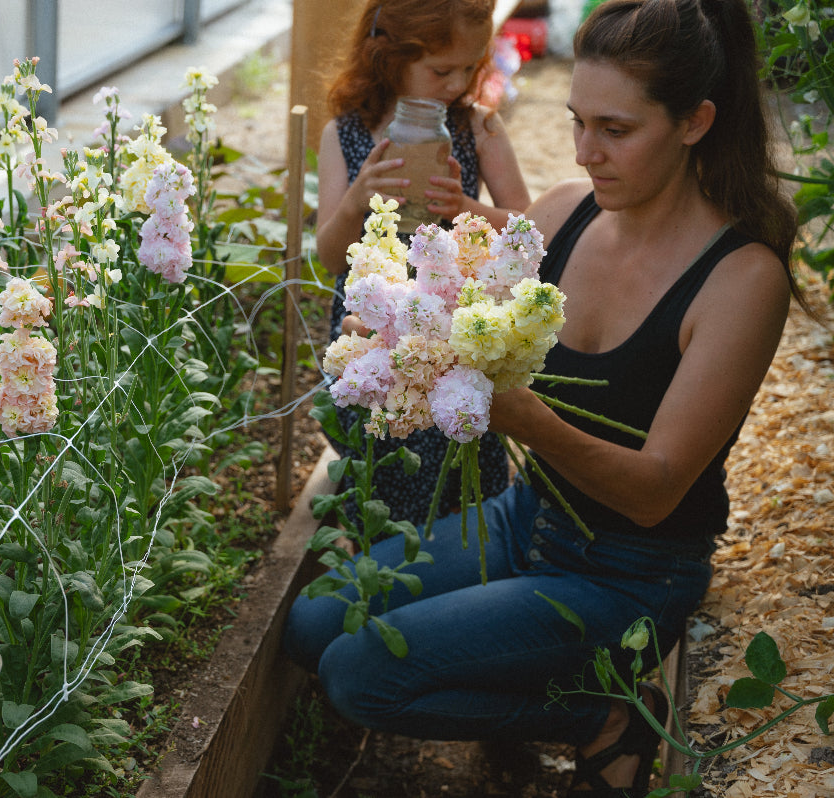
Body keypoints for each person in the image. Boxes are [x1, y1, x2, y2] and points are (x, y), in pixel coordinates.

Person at [286, 0, 806, 795]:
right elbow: (466, 313)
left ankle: (599, 717)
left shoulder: (741, 279)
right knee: (311, 624)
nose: (584, 151)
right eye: (577, 121)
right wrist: (400, 326)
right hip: (527, 515)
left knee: (360, 675)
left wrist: (525, 417)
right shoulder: (563, 212)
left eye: (615, 130)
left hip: (629, 569)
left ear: (696, 121)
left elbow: (656, 490)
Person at [316, 0, 531, 529]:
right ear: (389, 55)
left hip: (452, 319)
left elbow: (529, 226)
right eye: (441, 70)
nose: (457, 83)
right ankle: (373, 553)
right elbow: (326, 256)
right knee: (380, 440)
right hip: (374, 325)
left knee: (453, 435)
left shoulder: (479, 127)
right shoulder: (345, 135)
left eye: (470, 67)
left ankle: (456, 559)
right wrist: (356, 201)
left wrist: (470, 210)